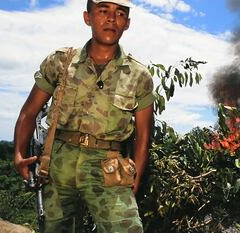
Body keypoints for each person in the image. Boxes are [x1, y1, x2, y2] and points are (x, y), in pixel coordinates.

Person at [13, 0, 154, 232]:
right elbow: (29, 112)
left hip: (109, 166)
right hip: (57, 163)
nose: (111, 18)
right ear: (87, 17)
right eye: (103, 11)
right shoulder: (60, 62)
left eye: (119, 13)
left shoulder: (139, 75)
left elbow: (144, 135)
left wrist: (135, 177)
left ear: (127, 23)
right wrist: (19, 154)